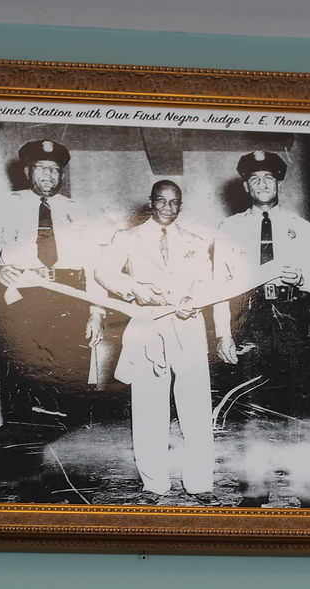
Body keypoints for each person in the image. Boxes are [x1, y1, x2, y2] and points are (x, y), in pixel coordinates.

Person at [0, 139, 110, 501]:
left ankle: (73, 472)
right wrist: (0, 268)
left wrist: (95, 312)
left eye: (55, 169)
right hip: (24, 301)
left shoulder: (79, 210)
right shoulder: (4, 205)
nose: (49, 175)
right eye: (41, 168)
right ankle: (30, 474)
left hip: (72, 300)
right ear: (28, 171)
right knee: (25, 383)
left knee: (73, 385)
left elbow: (94, 265)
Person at [95, 180, 217, 502]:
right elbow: (103, 271)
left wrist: (196, 298)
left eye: (174, 202)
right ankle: (154, 485)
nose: (167, 207)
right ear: (150, 202)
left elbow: (207, 284)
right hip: (147, 325)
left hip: (187, 324)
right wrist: (134, 288)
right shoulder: (128, 238)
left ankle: (200, 483)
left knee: (196, 407)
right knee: (149, 406)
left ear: (180, 205)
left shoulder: (196, 241)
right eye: (161, 201)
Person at [212, 151, 310, 421]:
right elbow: (219, 285)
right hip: (248, 319)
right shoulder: (228, 228)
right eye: (255, 179)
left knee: (295, 400)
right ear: (246, 187)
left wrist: (302, 280)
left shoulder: (301, 228)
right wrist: (224, 334)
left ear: (278, 183)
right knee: (249, 401)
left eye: (269, 178)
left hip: (292, 317)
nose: (263, 184)